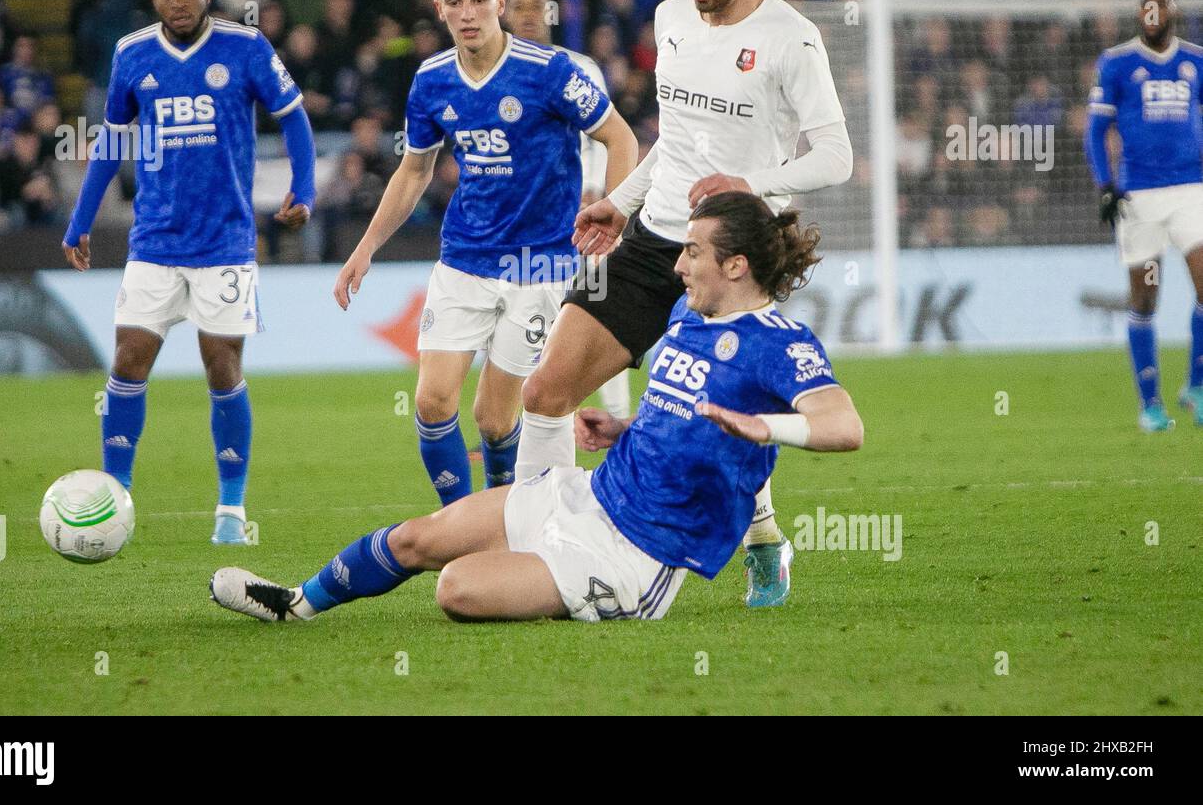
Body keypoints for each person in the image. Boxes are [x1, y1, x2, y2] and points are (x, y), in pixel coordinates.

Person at [210, 192, 862, 623]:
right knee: (417, 537)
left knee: (457, 587)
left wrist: (764, 426)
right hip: (587, 495)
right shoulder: (687, 314)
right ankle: (294, 603)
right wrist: (628, 424)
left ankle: (598, 588)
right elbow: (691, 414)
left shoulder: (782, 344)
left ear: (737, 264)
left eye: (693, 251)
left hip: (632, 557)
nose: (680, 263)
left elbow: (844, 425)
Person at [516, 0, 854, 606]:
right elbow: (678, 137)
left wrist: (750, 183)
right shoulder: (672, 18)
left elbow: (836, 155)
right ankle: (538, 543)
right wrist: (622, 200)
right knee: (544, 390)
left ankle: (761, 535)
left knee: (708, 416)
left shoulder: (792, 38)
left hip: (736, 252)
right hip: (651, 240)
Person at [331, 0, 638, 506]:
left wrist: (613, 216)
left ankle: (502, 513)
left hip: (542, 266)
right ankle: (461, 524)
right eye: (454, 2)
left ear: (499, 3)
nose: (466, 13)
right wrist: (365, 247)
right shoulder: (431, 80)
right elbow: (413, 171)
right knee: (432, 402)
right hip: (465, 260)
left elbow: (620, 136)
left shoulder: (551, 72)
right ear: (438, 6)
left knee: (496, 420)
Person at [61, 0, 316, 544]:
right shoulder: (132, 54)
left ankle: (230, 508)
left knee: (222, 368)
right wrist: (79, 222)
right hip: (154, 241)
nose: (177, 2)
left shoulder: (246, 48)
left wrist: (303, 191)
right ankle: (113, 493)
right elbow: (109, 145)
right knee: (127, 362)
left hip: (225, 244)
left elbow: (295, 118)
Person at [504, 0, 633, 422]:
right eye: (517, 6)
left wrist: (597, 190)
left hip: (581, 218)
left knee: (600, 313)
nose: (525, 15)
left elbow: (604, 137)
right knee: (522, 319)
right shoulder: (496, 70)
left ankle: (616, 412)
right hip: (520, 222)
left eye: (534, 7)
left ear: (550, 13)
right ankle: (517, 422)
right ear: (504, 11)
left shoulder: (578, 67)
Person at [1085, 0, 1203, 432]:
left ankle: (1195, 385)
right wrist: (1105, 185)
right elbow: (1095, 131)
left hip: (1191, 190)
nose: (1151, 13)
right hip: (1140, 196)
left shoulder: (1196, 62)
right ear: (1139, 11)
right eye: (1144, 5)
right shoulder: (1116, 64)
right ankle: (1150, 404)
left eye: (1159, 4)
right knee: (1145, 297)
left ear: (1174, 9)